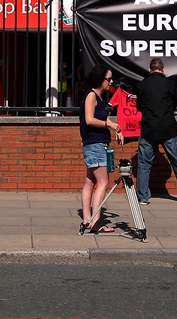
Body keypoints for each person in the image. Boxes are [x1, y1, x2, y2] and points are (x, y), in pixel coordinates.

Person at [127, 58, 177, 206]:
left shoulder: (141, 85)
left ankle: (142, 197)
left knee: (144, 164)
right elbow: (174, 104)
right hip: (168, 128)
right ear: (163, 69)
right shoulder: (170, 84)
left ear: (149, 69)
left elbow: (139, 106)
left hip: (148, 128)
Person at [79, 64, 123, 234]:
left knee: (90, 181)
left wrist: (114, 129)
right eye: (109, 78)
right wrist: (109, 124)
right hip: (96, 145)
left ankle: (87, 219)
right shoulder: (91, 95)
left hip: (94, 144)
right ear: (99, 79)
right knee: (103, 182)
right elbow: (89, 120)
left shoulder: (98, 97)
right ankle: (96, 222)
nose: (111, 82)